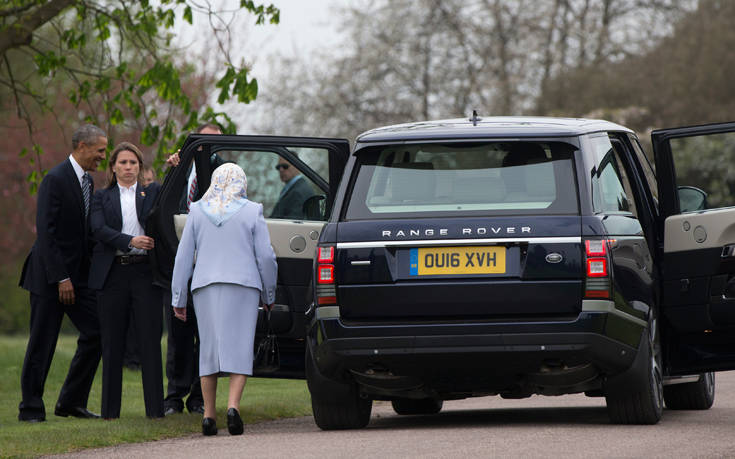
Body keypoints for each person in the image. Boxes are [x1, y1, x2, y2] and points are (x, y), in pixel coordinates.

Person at [170, 163, 277, 436]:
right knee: (240, 346)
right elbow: (265, 256)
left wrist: (178, 296)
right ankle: (233, 407)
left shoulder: (196, 210)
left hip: (205, 285)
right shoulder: (253, 211)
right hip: (243, 285)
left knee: (208, 348)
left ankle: (208, 414)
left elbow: (183, 257)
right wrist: (269, 293)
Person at [17, 124, 107, 422]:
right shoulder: (54, 179)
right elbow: (46, 233)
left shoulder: (88, 183)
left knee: (97, 331)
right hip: (48, 276)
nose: (102, 157)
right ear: (82, 146)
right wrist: (61, 278)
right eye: (100, 151)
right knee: (43, 342)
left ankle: (71, 402)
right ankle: (30, 409)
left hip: (76, 280)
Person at [88, 142, 164, 419]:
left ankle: (155, 411)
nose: (128, 167)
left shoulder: (151, 192)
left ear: (140, 166)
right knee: (112, 343)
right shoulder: (101, 197)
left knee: (149, 342)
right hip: (113, 274)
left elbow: (170, 194)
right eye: (123, 163)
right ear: (113, 167)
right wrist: (130, 240)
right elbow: (98, 229)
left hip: (145, 274)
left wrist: (176, 163)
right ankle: (110, 413)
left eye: (133, 163)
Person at [163, 123, 223, 415]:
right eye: (203, 140)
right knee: (178, 333)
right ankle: (174, 396)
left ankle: (198, 398)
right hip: (178, 259)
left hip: (210, 262)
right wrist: (173, 169)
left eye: (215, 142)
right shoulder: (178, 168)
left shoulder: (224, 173)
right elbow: (162, 206)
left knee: (206, 334)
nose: (208, 146)